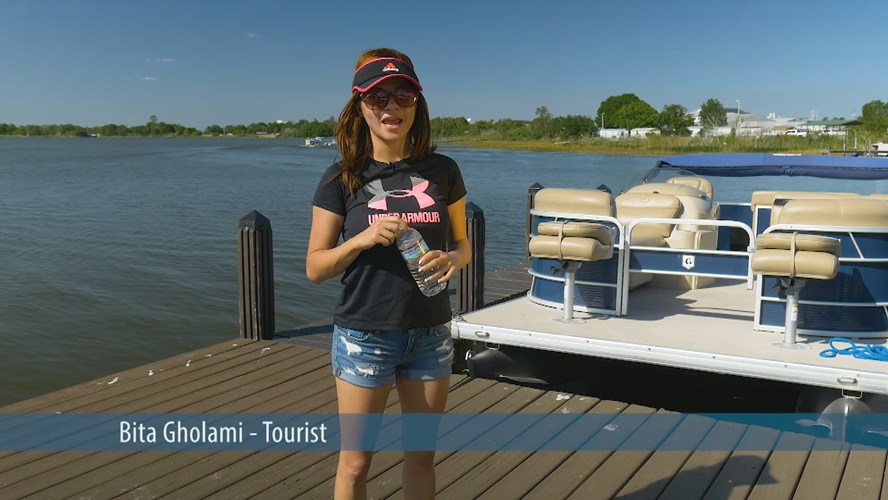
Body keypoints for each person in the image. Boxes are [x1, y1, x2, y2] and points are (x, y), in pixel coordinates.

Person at [306, 48, 471, 500]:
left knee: (421, 457)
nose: (391, 107)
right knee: (356, 463)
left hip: (430, 331)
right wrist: (361, 240)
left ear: (418, 105)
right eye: (377, 97)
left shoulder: (443, 171)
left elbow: (463, 244)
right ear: (359, 106)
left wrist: (453, 261)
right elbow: (315, 267)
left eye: (403, 95)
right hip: (365, 334)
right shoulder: (342, 178)